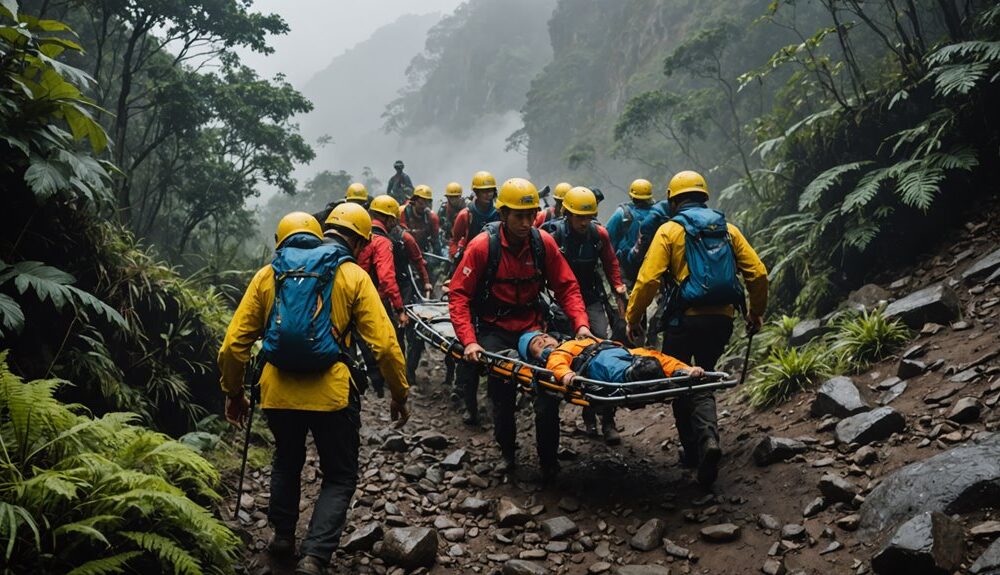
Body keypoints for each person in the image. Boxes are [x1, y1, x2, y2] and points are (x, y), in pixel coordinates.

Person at [219, 209, 409, 575]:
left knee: (286, 460)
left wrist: (234, 392)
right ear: (358, 241)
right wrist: (399, 393)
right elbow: (384, 346)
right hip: (333, 395)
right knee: (339, 475)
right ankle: (315, 556)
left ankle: (283, 537)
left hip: (277, 392)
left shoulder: (268, 274)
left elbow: (233, 346)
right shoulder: (352, 274)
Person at [625, 170, 769, 487]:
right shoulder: (727, 229)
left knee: (680, 380)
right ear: (704, 197)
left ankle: (694, 450)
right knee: (704, 373)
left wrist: (633, 318)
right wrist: (755, 313)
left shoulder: (669, 230)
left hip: (683, 320)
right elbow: (757, 274)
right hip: (721, 318)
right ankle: (708, 440)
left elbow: (648, 280)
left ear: (674, 201)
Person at [448, 177, 591, 480]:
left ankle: (549, 461)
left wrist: (580, 324)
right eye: (519, 216)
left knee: (549, 388)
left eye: (531, 215)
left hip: (531, 326)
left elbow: (566, 286)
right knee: (502, 393)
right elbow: (459, 295)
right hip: (494, 328)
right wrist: (470, 342)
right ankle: (508, 453)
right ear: (503, 215)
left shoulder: (542, 242)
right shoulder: (481, 247)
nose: (527, 222)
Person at [546, 186, 628, 444]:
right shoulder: (553, 235)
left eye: (588, 216)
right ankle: (554, 412)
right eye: (579, 217)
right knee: (563, 353)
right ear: (567, 214)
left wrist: (617, 288)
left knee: (600, 349)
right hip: (557, 301)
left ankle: (604, 417)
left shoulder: (598, 234)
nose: (584, 222)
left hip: (590, 299)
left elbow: (611, 263)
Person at [370, 195, 433, 385]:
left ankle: (407, 372)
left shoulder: (404, 238)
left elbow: (418, 260)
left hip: (403, 288)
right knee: (391, 335)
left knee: (411, 334)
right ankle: (392, 374)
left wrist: (426, 281)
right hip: (384, 290)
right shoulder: (373, 236)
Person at [516, 331, 704, 391]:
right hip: (594, 362)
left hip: (616, 350)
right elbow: (557, 365)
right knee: (610, 365)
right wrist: (566, 376)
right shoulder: (558, 353)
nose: (545, 341)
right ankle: (631, 376)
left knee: (653, 355)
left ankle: (683, 371)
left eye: (545, 337)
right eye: (538, 344)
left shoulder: (574, 341)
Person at [354, 198, 410, 398]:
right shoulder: (382, 241)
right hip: (372, 296)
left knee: (359, 338)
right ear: (389, 219)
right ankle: (395, 381)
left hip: (349, 294)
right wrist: (399, 309)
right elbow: (387, 279)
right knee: (391, 337)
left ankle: (374, 380)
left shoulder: (360, 236)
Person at [437, 181, 467, 395]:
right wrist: (453, 257)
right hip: (458, 260)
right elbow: (451, 238)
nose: (452, 200)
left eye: (455, 197)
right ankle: (452, 376)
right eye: (450, 197)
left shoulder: (468, 212)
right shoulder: (445, 212)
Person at [606, 179, 654, 280]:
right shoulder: (657, 213)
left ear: (631, 195)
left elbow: (608, 238)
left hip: (625, 266)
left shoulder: (622, 213)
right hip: (651, 266)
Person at [448, 171, 500, 259]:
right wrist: (456, 256)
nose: (488, 194)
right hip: (471, 256)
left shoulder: (499, 212)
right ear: (476, 192)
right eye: (484, 191)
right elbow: (455, 241)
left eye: (490, 190)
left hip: (494, 256)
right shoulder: (465, 215)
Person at [399, 184, 442, 279]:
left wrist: (435, 261)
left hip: (421, 253)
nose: (424, 206)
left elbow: (436, 241)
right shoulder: (402, 212)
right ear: (414, 201)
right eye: (422, 202)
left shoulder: (432, 218)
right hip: (403, 253)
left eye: (427, 203)